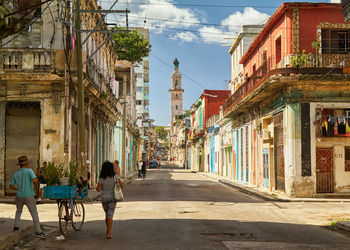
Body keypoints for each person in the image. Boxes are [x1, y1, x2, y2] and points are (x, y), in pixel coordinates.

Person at [9, 156, 46, 239]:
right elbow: (34, 180)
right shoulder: (29, 171)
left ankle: (16, 227)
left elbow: (11, 186)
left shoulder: (16, 174)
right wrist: (36, 183)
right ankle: (38, 231)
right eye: (28, 163)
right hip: (29, 195)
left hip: (19, 196)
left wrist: (18, 188)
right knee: (34, 213)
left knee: (18, 211)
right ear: (25, 164)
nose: (29, 164)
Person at [96, 161, 123, 239]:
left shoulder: (101, 178)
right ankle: (108, 233)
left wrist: (101, 188)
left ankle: (108, 230)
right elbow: (122, 186)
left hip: (104, 198)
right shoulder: (115, 177)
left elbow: (98, 189)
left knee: (107, 214)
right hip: (112, 198)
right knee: (110, 215)